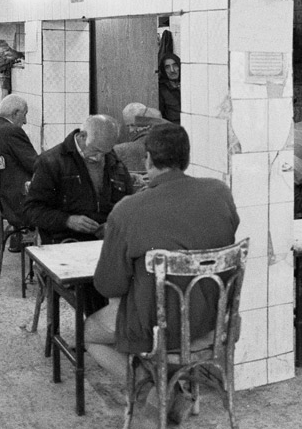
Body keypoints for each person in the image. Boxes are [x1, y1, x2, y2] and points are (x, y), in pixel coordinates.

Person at [85, 123, 239, 426]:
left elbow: (108, 283)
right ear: (187, 157)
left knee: (91, 333)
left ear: (148, 159)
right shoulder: (220, 192)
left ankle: (158, 386)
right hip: (214, 321)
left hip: (158, 330)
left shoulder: (127, 209)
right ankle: (171, 386)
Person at [23, 114, 134, 244]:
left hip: (108, 239)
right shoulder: (51, 162)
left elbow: (129, 202)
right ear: (82, 136)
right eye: (95, 150)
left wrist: (114, 223)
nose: (99, 158)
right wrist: (68, 220)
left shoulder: (113, 160)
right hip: (65, 240)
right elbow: (32, 210)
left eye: (105, 152)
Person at [0, 94, 38, 234]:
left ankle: (19, 240)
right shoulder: (12, 131)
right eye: (24, 115)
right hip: (15, 205)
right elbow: (35, 164)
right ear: (15, 113)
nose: (25, 121)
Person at [113, 102, 166, 174]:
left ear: (145, 123)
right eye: (128, 126)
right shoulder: (169, 145)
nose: (130, 130)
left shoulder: (118, 150)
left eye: (132, 125)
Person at [158, 52, 181, 124]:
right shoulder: (161, 90)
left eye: (175, 65)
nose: (172, 70)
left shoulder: (189, 84)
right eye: (167, 67)